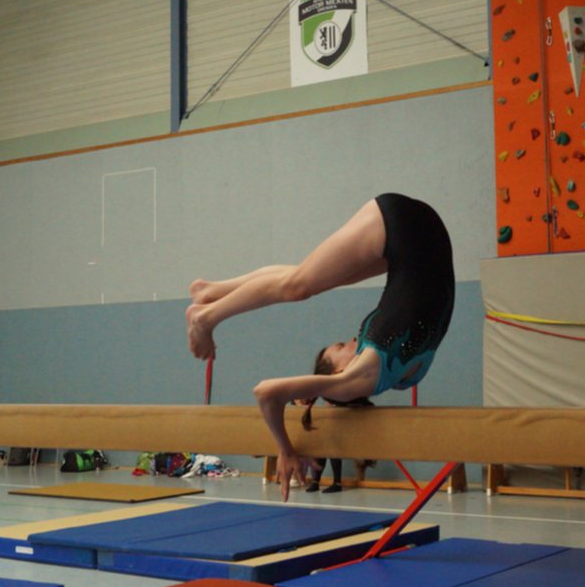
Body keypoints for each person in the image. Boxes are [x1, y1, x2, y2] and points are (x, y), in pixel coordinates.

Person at [187, 193, 454, 501]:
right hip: (414, 230)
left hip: (410, 228)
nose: (350, 341)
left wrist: (286, 449)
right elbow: (268, 392)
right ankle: (208, 303)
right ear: (340, 373)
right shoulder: (366, 377)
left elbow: (266, 391)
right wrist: (290, 445)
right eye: (341, 347)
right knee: (299, 282)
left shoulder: (379, 373)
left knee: (300, 281)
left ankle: (207, 310)